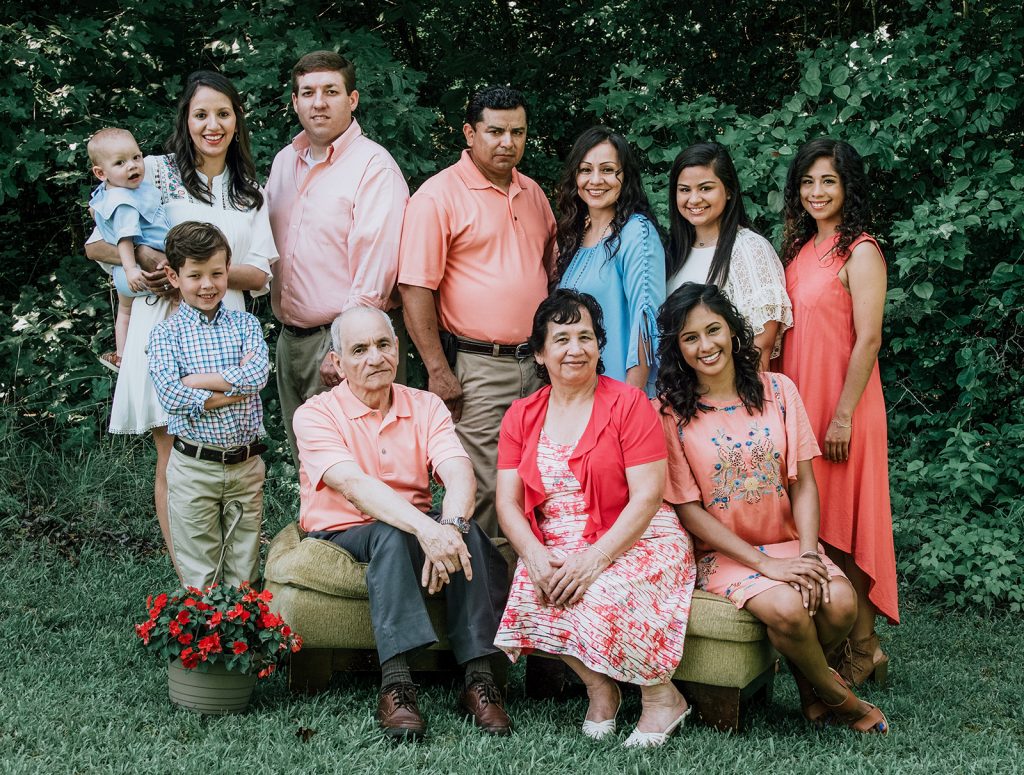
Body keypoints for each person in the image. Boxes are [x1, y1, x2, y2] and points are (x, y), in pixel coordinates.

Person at [655, 282, 890, 734]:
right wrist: (764, 564)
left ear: (733, 331)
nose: (706, 346)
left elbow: (803, 485)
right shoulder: (670, 413)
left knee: (840, 604)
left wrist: (806, 554)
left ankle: (807, 686)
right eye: (690, 338)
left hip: (788, 544)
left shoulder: (779, 390)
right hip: (723, 555)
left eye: (713, 330)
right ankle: (840, 697)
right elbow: (689, 510)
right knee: (787, 608)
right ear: (677, 349)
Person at [85, 71, 277, 569]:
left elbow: (258, 272)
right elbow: (97, 243)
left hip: (227, 329)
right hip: (162, 322)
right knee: (173, 453)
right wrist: (152, 262)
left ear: (237, 120)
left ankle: (232, 573)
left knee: (226, 447)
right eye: (200, 114)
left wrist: (203, 274)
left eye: (223, 113)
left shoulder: (251, 191)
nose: (211, 125)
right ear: (185, 119)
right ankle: (188, 579)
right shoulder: (152, 171)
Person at [293, 306, 512, 741]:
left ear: (397, 349)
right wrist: (427, 530)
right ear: (337, 362)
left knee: (469, 531)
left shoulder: (426, 405)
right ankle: (396, 684)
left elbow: (459, 471)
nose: (375, 357)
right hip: (343, 529)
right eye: (359, 349)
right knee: (393, 533)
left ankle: (479, 681)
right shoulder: (315, 414)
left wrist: (448, 526)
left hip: (416, 523)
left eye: (382, 344)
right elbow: (355, 487)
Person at [494, 289, 696, 748]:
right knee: (531, 586)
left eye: (586, 336)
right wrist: (534, 553)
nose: (575, 348)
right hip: (557, 538)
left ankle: (662, 698)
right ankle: (600, 688)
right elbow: (507, 502)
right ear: (541, 353)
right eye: (561, 338)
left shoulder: (629, 404)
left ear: (599, 346)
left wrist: (595, 558)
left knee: (600, 589)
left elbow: (647, 497)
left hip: (637, 532)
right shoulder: (521, 415)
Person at [398, 85, 557, 537]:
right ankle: (484, 598)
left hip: (538, 363)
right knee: (484, 484)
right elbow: (414, 288)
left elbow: (547, 269)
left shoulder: (533, 193)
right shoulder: (438, 196)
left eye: (518, 132)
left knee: (538, 479)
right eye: (496, 131)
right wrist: (437, 369)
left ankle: (529, 589)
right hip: (478, 365)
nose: (508, 142)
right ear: (470, 133)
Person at [778, 137, 899, 686]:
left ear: (848, 186)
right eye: (807, 181)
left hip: (846, 407)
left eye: (828, 180)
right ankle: (845, 642)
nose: (817, 191)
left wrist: (844, 415)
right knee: (820, 529)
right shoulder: (800, 252)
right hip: (805, 404)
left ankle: (866, 648)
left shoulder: (862, 250)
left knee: (851, 530)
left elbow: (868, 339)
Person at [265, 50, 410, 465]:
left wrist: (342, 348)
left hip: (347, 345)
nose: (319, 102)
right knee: (311, 468)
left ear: (353, 100)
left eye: (331, 91)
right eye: (307, 92)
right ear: (295, 102)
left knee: (366, 466)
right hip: (290, 341)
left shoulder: (373, 166)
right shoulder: (283, 163)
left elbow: (376, 269)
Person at [147, 222, 269, 588]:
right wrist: (232, 390)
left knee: (244, 566)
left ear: (227, 270)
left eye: (216, 273)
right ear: (173, 275)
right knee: (201, 570)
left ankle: (245, 638)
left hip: (245, 465)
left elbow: (259, 375)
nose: (207, 285)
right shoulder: (167, 334)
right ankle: (208, 641)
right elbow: (170, 395)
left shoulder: (245, 324)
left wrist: (197, 383)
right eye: (195, 275)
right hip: (193, 467)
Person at [555, 126, 665, 396]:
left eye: (607, 170)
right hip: (582, 394)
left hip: (621, 395)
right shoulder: (577, 235)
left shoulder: (635, 232)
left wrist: (631, 400)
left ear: (625, 177)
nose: (595, 180)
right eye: (585, 170)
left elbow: (646, 321)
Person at [665, 142, 791, 370]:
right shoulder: (671, 251)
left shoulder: (749, 248)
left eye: (705, 188)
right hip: (678, 392)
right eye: (685, 190)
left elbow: (760, 344)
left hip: (730, 394)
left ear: (729, 190)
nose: (693, 200)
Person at [86, 127, 171, 371]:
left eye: (136, 157)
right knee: (178, 302)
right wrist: (132, 267)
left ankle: (122, 354)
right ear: (101, 173)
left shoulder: (109, 192)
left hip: (121, 276)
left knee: (125, 311)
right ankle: (157, 346)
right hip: (139, 272)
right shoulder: (125, 202)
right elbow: (125, 236)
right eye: (120, 162)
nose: (132, 166)